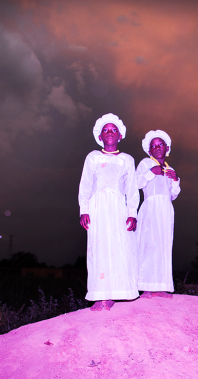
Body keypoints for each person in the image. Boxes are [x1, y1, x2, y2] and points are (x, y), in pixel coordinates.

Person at [78, 113, 140, 311]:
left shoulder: (127, 160)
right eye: (106, 130)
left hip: (118, 209)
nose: (110, 133)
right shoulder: (93, 157)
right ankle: (99, 294)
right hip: (97, 209)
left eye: (114, 129)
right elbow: (85, 185)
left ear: (120, 135)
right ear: (100, 136)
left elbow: (132, 189)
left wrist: (132, 212)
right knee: (99, 248)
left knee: (119, 248)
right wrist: (84, 209)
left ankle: (116, 293)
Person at [136, 130, 180, 299]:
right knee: (149, 245)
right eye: (153, 146)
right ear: (149, 151)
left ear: (166, 147)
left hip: (166, 210)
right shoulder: (145, 164)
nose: (157, 148)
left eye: (160, 144)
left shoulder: (170, 169)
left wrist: (175, 179)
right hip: (151, 208)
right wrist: (150, 172)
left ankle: (160, 286)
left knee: (163, 246)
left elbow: (174, 194)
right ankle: (146, 287)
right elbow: (137, 183)